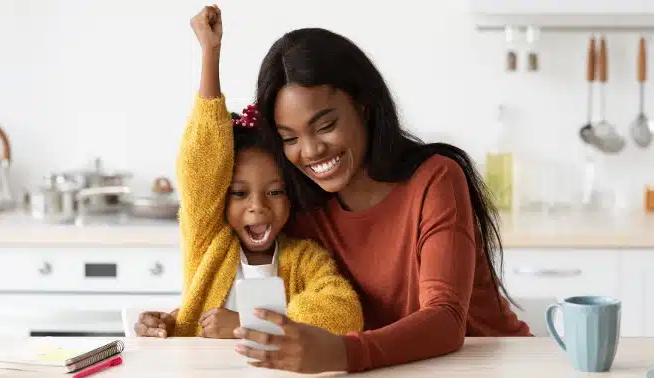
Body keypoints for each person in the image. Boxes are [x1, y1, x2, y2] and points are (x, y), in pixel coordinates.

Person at [227, 23, 533, 373]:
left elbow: (446, 320)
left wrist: (342, 353)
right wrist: (180, 320)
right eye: (289, 137)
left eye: (325, 126)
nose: (310, 151)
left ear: (364, 106)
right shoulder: (301, 206)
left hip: (497, 365)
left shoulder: (436, 179)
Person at [134, 5, 363, 342]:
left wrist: (248, 325)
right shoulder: (208, 244)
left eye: (274, 191)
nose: (258, 207)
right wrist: (210, 53)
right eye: (239, 193)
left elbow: (343, 312)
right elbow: (202, 165)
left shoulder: (305, 260)